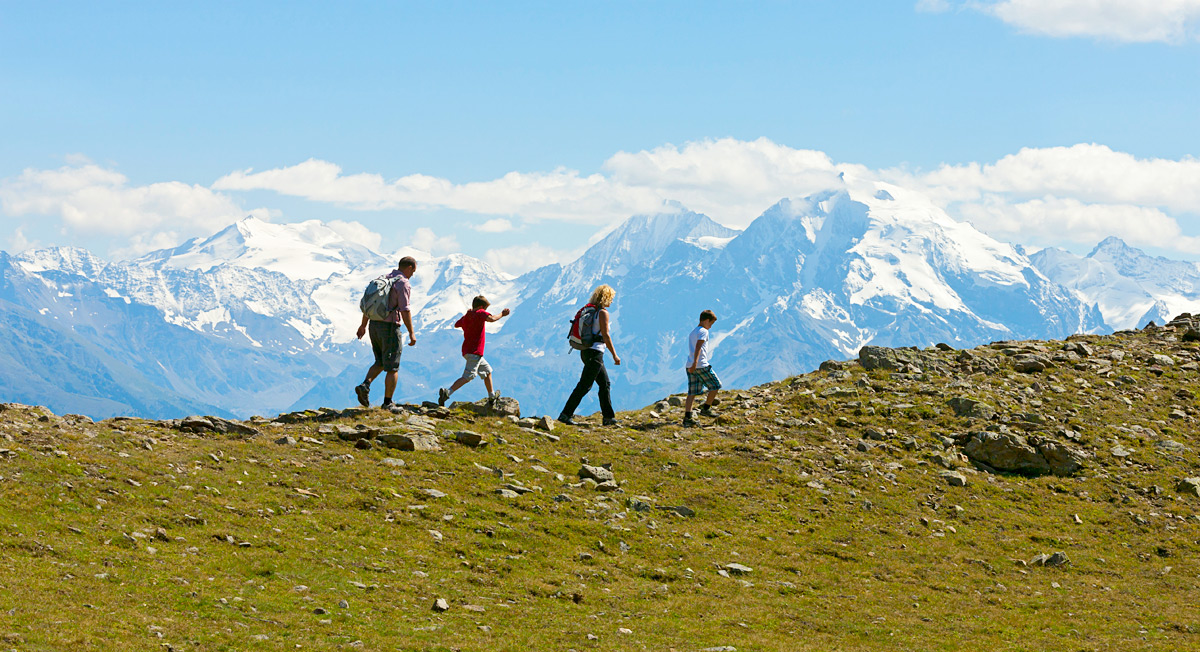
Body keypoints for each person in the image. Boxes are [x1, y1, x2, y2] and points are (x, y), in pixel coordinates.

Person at [354, 256, 417, 409]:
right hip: (389, 328)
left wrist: (363, 326)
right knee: (392, 367)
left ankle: (365, 384)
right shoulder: (402, 283)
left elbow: (370, 304)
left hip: (373, 325)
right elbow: (404, 309)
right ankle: (388, 403)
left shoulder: (382, 279)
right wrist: (411, 332)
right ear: (408, 268)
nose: (413, 275)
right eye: (413, 271)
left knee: (380, 362)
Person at [558, 284, 621, 426]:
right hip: (595, 353)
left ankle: (608, 417)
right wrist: (615, 355)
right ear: (606, 297)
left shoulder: (591, 310)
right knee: (585, 385)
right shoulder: (603, 313)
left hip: (586, 351)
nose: (612, 301)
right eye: (611, 298)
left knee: (604, 384)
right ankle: (565, 414)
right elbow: (606, 335)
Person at [437, 295, 511, 406]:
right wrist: (502, 314)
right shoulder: (480, 313)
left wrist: (468, 315)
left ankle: (491, 396)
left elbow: (456, 325)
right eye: (485, 308)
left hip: (468, 351)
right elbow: (492, 319)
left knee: (487, 371)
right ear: (481, 307)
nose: (485, 311)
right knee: (468, 376)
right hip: (475, 352)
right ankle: (447, 393)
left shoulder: (468, 316)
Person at [682, 309, 721, 427]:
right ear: (706, 321)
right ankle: (706, 409)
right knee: (716, 385)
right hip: (700, 365)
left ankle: (687, 417)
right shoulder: (704, 331)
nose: (710, 327)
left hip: (689, 365)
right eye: (711, 323)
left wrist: (692, 364)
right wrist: (696, 362)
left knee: (692, 392)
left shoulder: (693, 331)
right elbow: (699, 347)